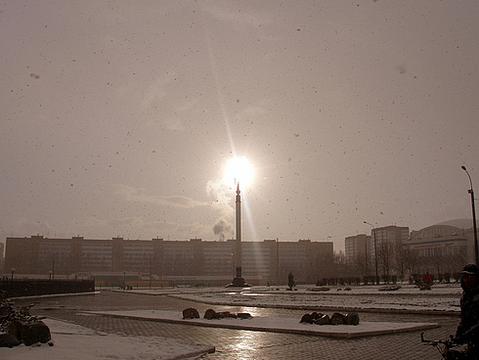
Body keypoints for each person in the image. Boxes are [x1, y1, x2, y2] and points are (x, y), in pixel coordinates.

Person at [454, 263, 479, 358]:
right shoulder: (466, 295)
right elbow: (464, 318)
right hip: (470, 337)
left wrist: (467, 334)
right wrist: (458, 335)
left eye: (470, 277)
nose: (466, 280)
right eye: (464, 277)